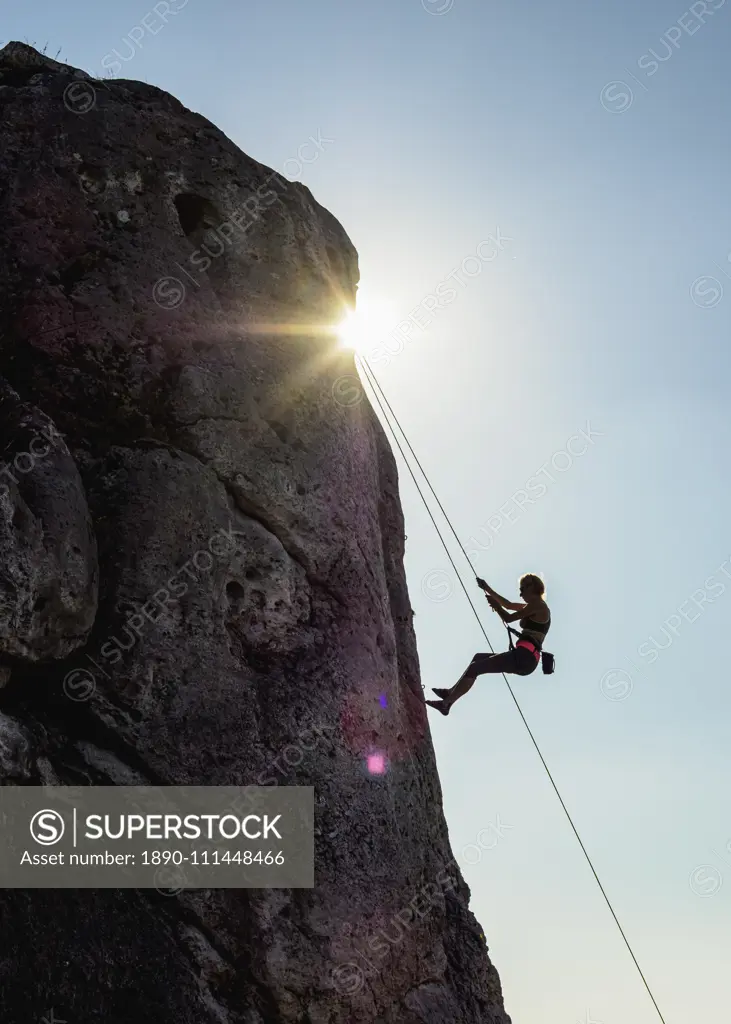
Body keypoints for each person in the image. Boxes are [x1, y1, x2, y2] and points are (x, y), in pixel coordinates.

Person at [425, 573, 551, 716]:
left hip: (525, 657)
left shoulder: (538, 605)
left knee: (475, 668)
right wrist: (487, 589)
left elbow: (508, 617)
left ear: (532, 587)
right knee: (478, 658)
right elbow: (508, 605)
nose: (520, 593)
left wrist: (497, 607)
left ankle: (446, 704)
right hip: (524, 657)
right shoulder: (534, 606)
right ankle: (450, 692)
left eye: (522, 589)